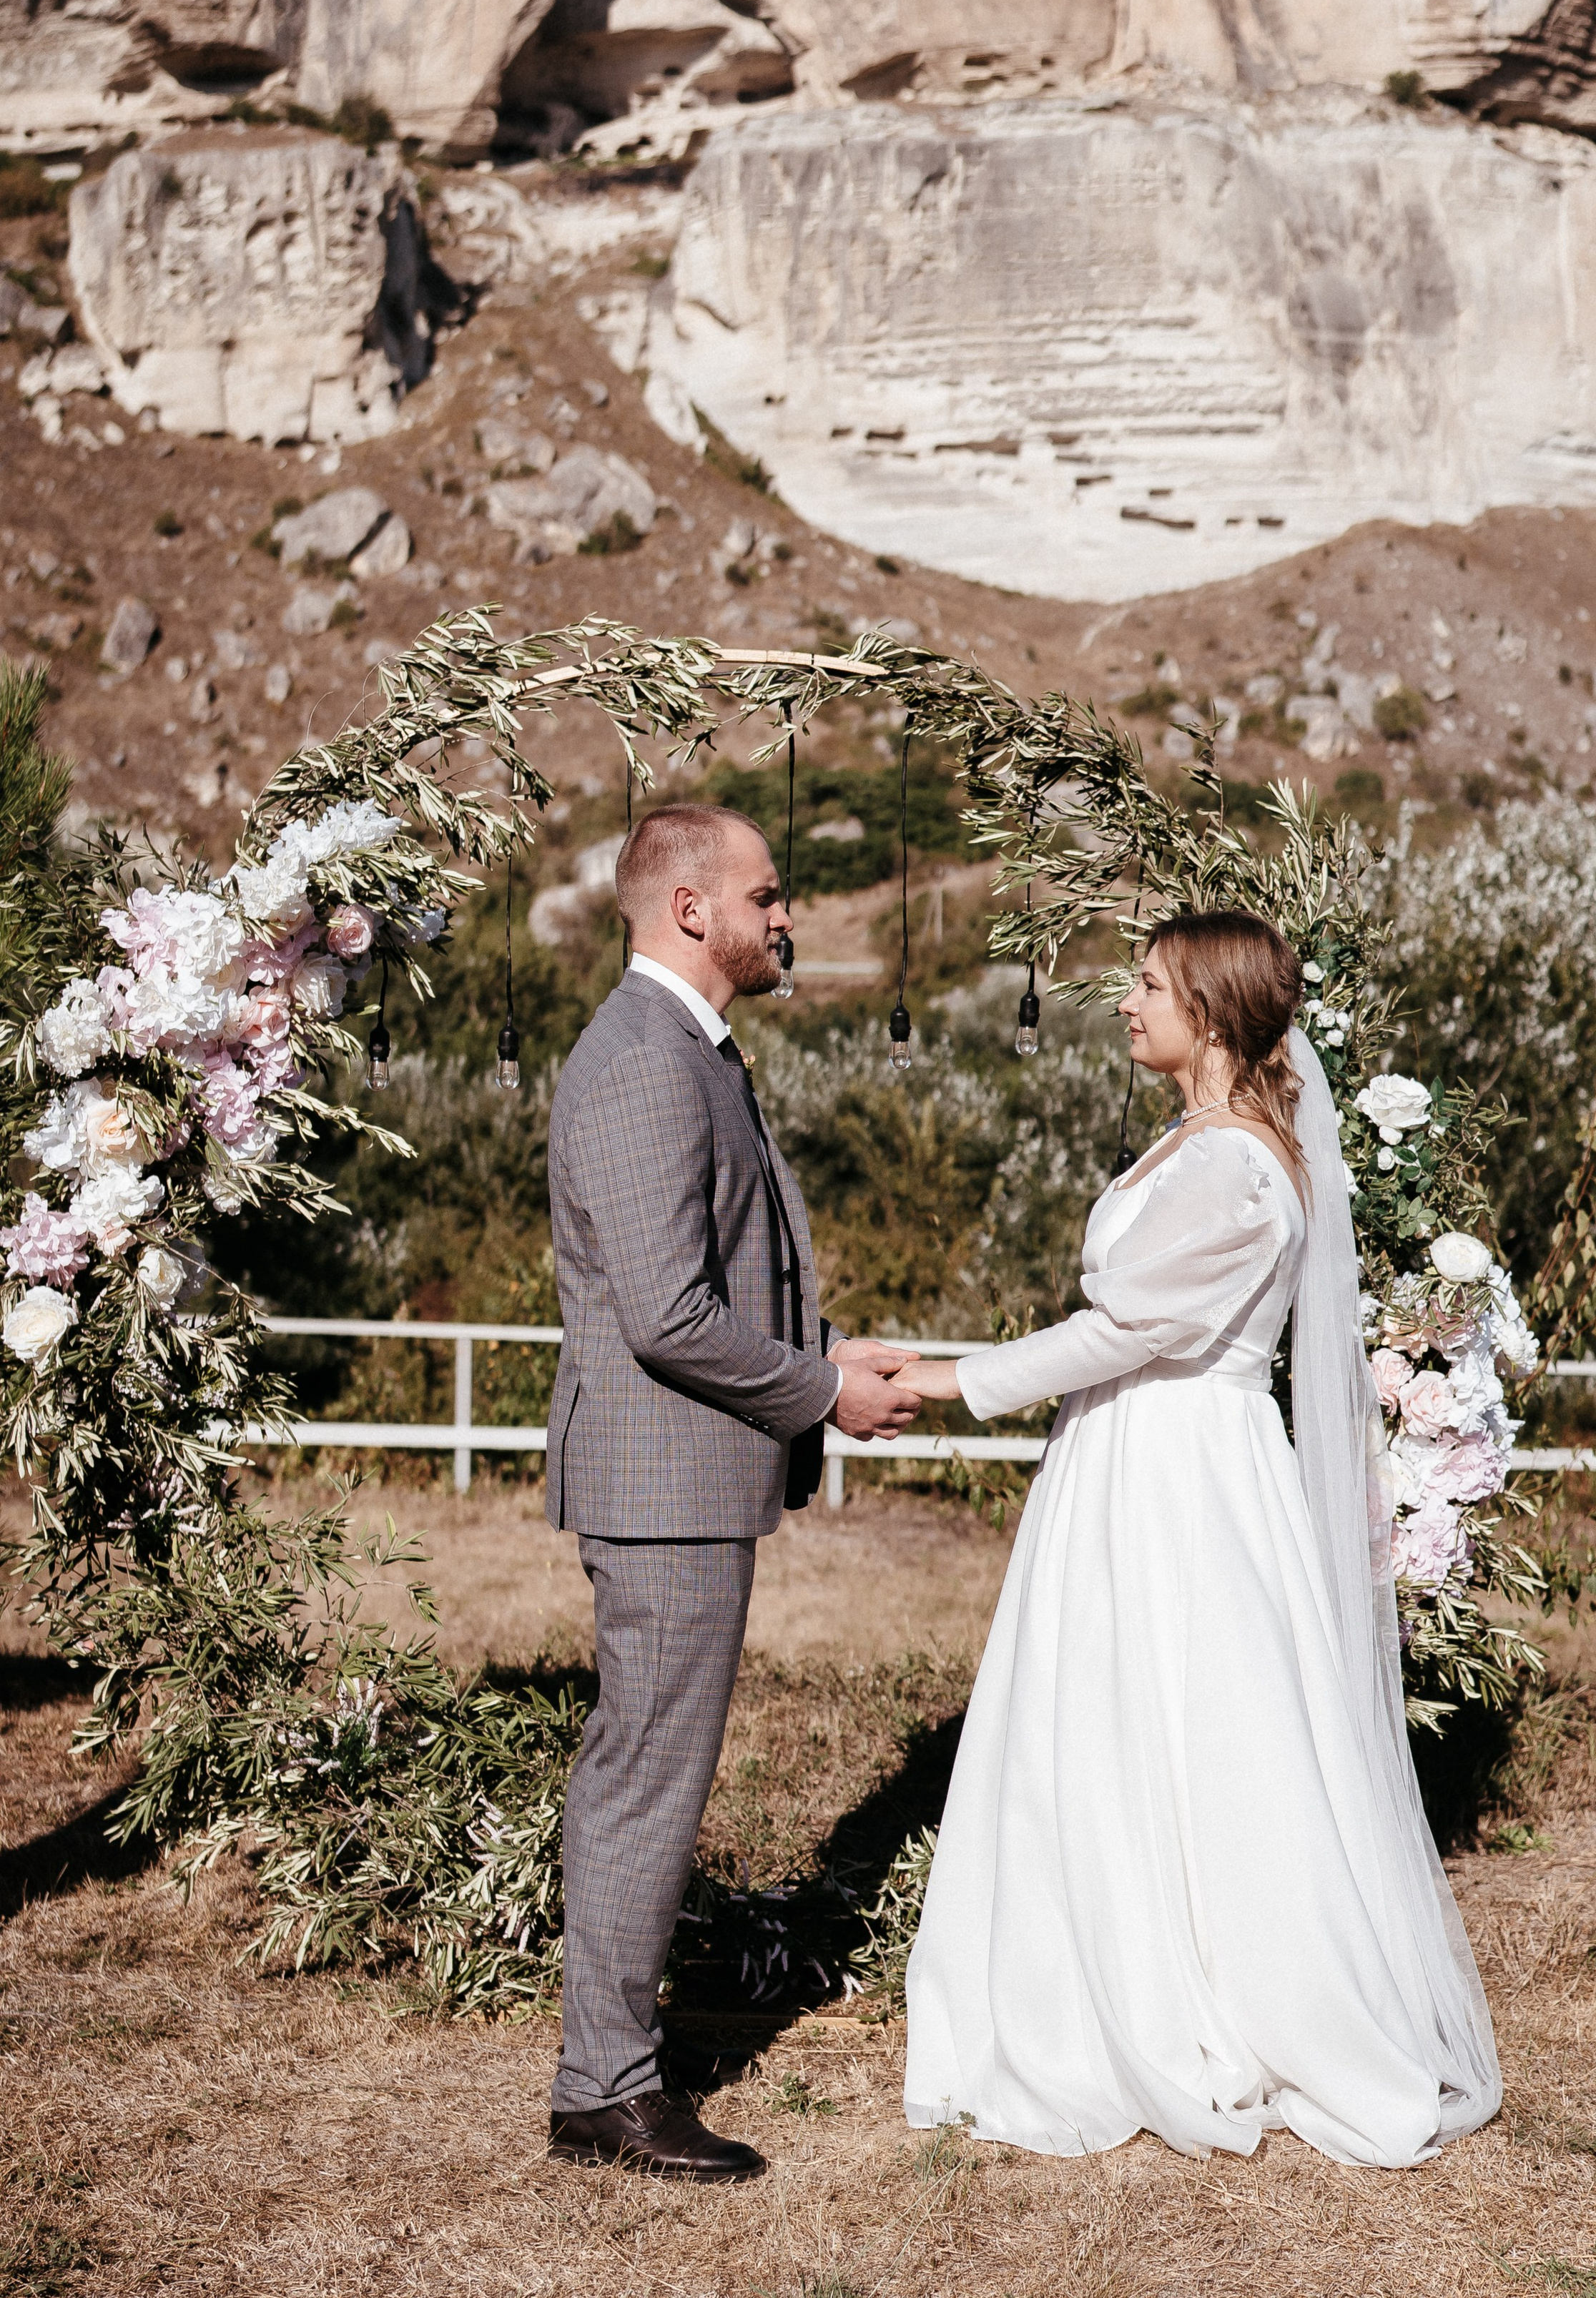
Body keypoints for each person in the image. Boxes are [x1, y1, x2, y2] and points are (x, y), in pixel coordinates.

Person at [902, 908, 1502, 2167]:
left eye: (1149, 983)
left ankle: (1213, 1994)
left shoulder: (1238, 1171)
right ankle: (1111, 1953)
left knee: (1194, 1719)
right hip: (1126, 1455)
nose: (1126, 1001)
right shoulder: (1197, 1143)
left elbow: (1135, 1331)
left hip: (1179, 1467)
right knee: (1113, 1716)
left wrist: (956, 1378)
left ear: (1213, 1011)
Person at [543, 801, 922, 2180]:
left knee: (646, 1766)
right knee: (647, 1775)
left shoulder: (683, 1047)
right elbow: (666, 1316)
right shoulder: (645, 1057)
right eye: (767, 896)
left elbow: (708, 1288)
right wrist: (826, 1392)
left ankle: (608, 2064)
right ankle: (607, 2087)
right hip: (661, 1480)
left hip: (682, 1475)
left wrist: (824, 1352)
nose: (786, 917)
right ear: (691, 907)